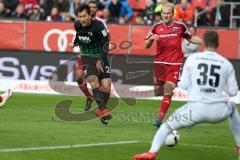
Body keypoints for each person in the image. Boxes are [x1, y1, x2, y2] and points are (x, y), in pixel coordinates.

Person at [132, 30, 240, 160]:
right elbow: (233, 92)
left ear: (203, 43)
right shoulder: (226, 63)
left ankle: (151, 153)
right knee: (233, 108)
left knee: (166, 127)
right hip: (218, 111)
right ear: (218, 44)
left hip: (195, 109)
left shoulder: (193, 58)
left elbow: (183, 85)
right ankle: (239, 146)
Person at [145, 3, 203, 128]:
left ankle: (159, 119)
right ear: (161, 14)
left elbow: (191, 39)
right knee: (158, 92)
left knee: (168, 89)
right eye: (164, 13)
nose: (166, 15)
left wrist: (206, 42)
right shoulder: (156, 27)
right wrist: (151, 39)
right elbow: (146, 45)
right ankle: (167, 97)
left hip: (175, 63)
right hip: (160, 63)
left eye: (168, 13)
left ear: (173, 14)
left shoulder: (180, 26)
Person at [69, 4, 112, 125]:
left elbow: (106, 43)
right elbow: (79, 34)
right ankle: (103, 110)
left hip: (101, 56)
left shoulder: (99, 25)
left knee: (107, 88)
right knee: (93, 80)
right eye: (80, 16)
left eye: (84, 16)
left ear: (89, 16)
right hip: (87, 56)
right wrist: (74, 43)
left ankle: (100, 109)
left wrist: (101, 59)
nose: (82, 19)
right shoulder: (77, 24)